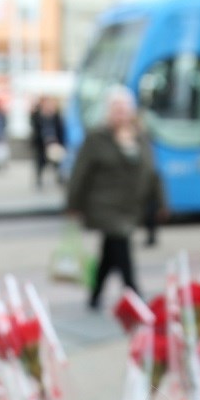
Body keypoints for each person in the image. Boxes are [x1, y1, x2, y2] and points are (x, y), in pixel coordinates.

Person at [67, 86, 166, 311]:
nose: (120, 113)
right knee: (121, 245)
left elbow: (153, 172)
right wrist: (73, 205)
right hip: (104, 206)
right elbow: (80, 173)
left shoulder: (140, 137)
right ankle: (134, 294)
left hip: (130, 206)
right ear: (108, 111)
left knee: (110, 253)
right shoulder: (96, 138)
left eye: (124, 108)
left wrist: (161, 202)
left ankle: (95, 295)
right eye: (116, 108)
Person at [30, 97, 65, 190]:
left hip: (54, 142)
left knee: (56, 161)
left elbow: (60, 129)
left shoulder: (56, 115)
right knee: (40, 162)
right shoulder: (37, 115)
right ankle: (39, 179)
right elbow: (34, 126)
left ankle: (59, 177)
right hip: (41, 143)